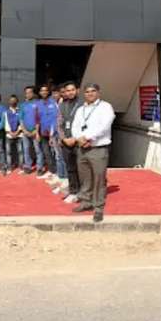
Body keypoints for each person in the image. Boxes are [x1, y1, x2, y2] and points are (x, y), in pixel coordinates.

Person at [70, 83, 116, 223]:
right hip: (82, 148)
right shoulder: (81, 109)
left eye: (93, 91)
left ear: (98, 92)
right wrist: (79, 139)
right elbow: (75, 126)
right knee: (85, 178)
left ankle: (98, 207)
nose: (90, 94)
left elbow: (104, 126)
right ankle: (86, 202)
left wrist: (88, 138)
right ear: (84, 94)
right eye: (87, 92)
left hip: (98, 148)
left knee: (98, 178)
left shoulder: (105, 107)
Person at [57, 81, 82, 203]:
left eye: (72, 90)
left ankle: (84, 192)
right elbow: (59, 123)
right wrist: (63, 138)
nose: (70, 92)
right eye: (68, 90)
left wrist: (75, 138)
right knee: (70, 168)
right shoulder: (62, 105)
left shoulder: (83, 104)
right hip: (66, 142)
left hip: (79, 141)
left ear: (77, 90)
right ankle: (73, 191)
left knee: (81, 169)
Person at [36, 85, 59, 181]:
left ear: (48, 92)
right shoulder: (38, 103)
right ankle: (51, 170)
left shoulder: (54, 103)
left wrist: (51, 134)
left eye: (45, 90)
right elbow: (37, 119)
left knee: (56, 153)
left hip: (54, 133)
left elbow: (56, 118)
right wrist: (37, 133)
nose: (44, 92)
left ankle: (59, 173)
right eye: (42, 90)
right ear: (40, 93)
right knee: (47, 153)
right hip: (43, 132)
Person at [19, 86, 42, 174]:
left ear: (33, 93)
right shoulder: (22, 105)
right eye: (26, 93)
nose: (28, 94)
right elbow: (21, 119)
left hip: (35, 131)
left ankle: (39, 167)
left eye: (30, 92)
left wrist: (36, 131)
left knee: (38, 150)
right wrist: (24, 130)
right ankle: (28, 166)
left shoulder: (38, 103)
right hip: (25, 132)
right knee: (26, 150)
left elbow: (39, 118)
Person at [3, 95, 23, 173]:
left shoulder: (20, 111)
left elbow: (21, 122)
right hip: (9, 135)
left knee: (20, 151)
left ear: (17, 101)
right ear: (9, 102)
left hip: (19, 134)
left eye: (14, 100)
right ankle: (9, 167)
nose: (12, 102)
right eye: (11, 100)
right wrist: (10, 132)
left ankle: (21, 167)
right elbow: (6, 123)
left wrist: (18, 131)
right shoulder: (6, 112)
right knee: (8, 152)